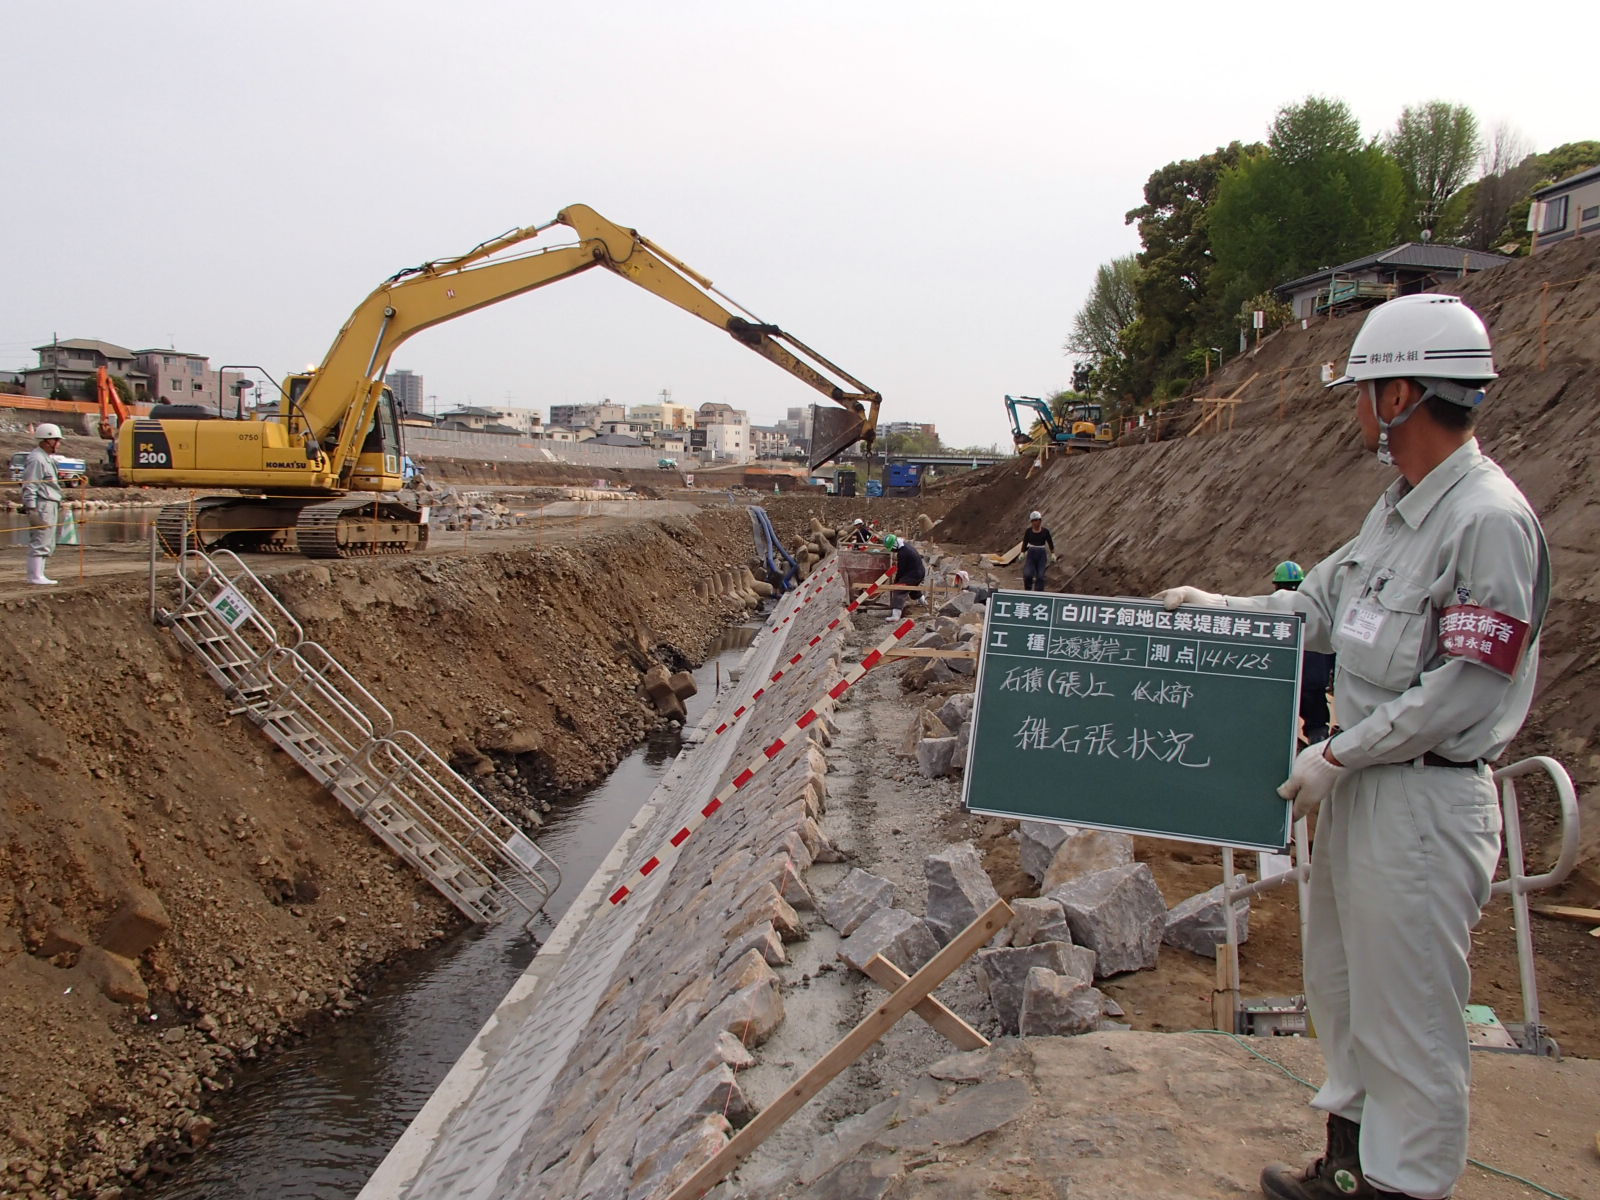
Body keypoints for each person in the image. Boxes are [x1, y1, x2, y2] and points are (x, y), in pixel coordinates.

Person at [1156, 294, 1548, 1200]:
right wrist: (1218, 614)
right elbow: (1320, 606)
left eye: (1364, 388)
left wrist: (1337, 753)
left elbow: (1465, 685)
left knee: (1410, 1010)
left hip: (1420, 798)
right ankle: (1349, 1165)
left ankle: (1404, 1187)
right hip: (1365, 788)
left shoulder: (1487, 520)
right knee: (1343, 988)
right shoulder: (1399, 511)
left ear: (1403, 393)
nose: (1355, 406)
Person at [1273, 560, 1336, 743]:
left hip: (1285, 681)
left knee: (1278, 721)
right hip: (1315, 679)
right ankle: (1318, 742)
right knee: (1316, 722)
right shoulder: (1313, 609)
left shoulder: (1275, 611)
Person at [20, 423, 66, 586]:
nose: (59, 444)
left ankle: (39, 573)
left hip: (49, 502)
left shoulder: (45, 458)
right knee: (41, 538)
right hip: (42, 503)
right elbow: (30, 484)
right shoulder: (37, 459)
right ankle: (35, 575)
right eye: (56, 440)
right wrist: (31, 508)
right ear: (47, 440)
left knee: (47, 539)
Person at [881, 533, 925, 621]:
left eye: (892, 548)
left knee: (899, 589)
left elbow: (901, 570)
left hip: (914, 573)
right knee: (912, 588)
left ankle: (896, 615)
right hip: (919, 572)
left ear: (895, 545)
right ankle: (924, 602)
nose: (892, 550)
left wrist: (897, 582)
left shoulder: (903, 553)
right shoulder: (906, 546)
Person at [1021, 509, 1056, 591]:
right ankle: (1028, 590)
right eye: (1032, 521)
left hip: (1041, 554)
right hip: (1031, 553)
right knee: (1028, 574)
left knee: (1040, 576)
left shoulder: (1045, 532)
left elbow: (1050, 542)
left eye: (1036, 520)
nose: (1034, 522)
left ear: (1040, 521)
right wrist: (1022, 552)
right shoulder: (1028, 531)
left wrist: (1053, 553)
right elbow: (1025, 542)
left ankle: (1038, 593)